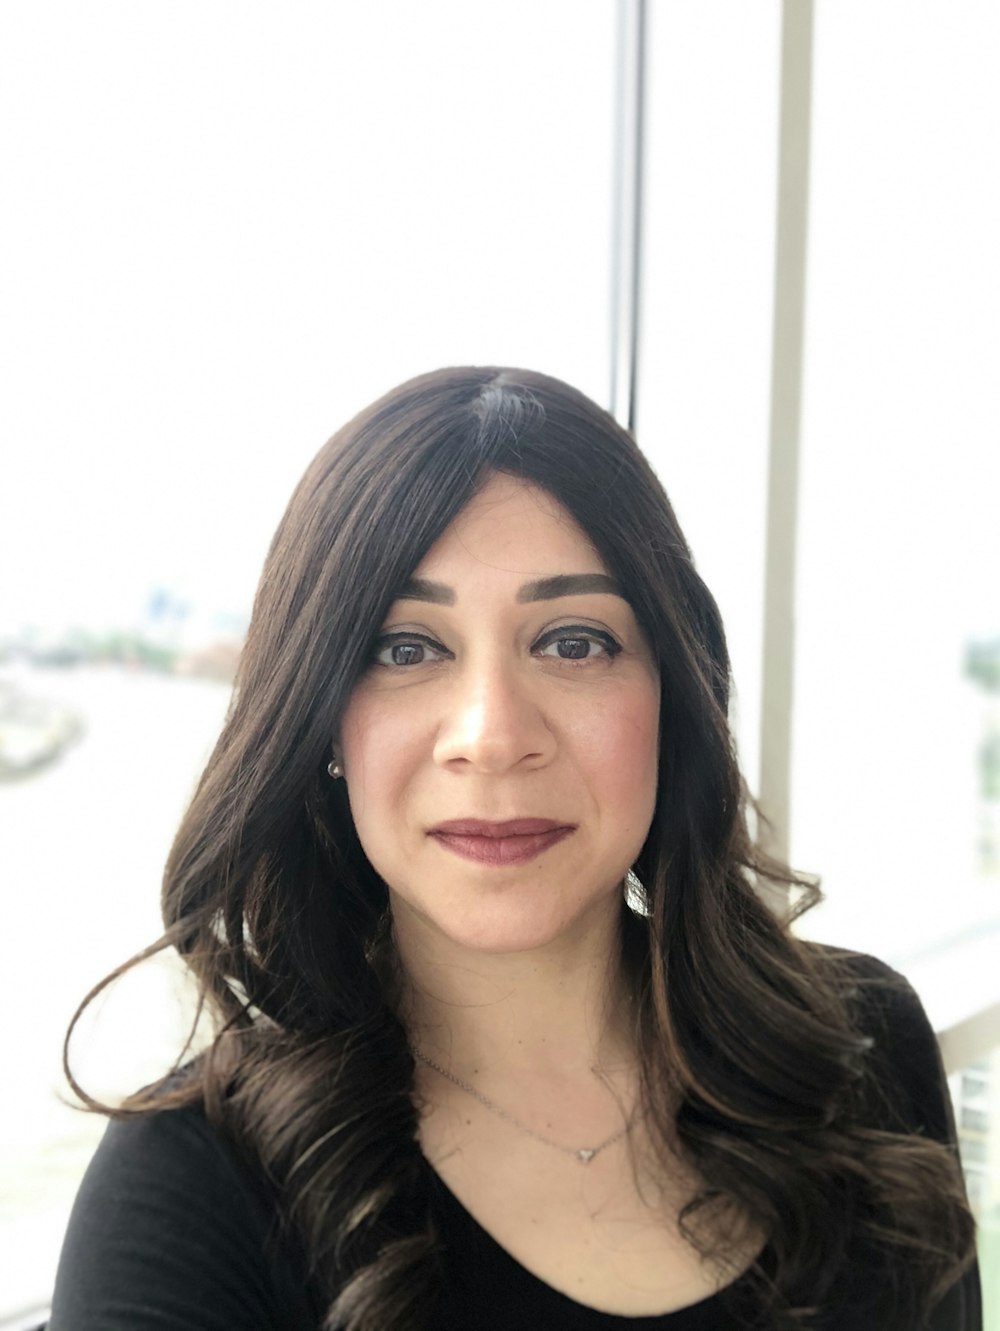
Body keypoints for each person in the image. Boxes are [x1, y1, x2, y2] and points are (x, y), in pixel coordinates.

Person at [50, 367, 980, 1330]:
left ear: (673, 692)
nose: (492, 735)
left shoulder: (860, 1047)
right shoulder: (189, 1192)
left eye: (573, 642)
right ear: (322, 726)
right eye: (406, 648)